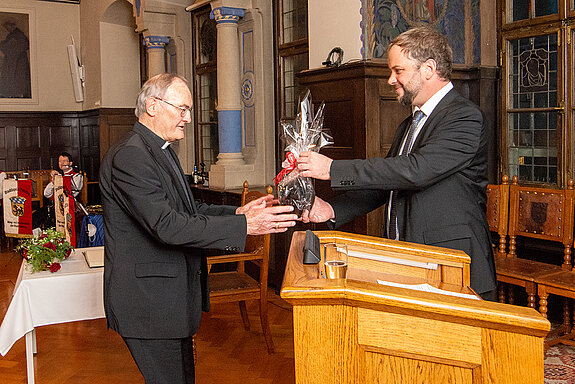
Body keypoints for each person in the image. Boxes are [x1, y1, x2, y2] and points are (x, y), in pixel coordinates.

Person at [99, 73, 297, 384]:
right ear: (152, 106)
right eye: (182, 109)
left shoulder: (158, 149)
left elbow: (190, 210)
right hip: (150, 303)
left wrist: (238, 211)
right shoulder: (131, 155)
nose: (188, 118)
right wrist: (245, 226)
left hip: (169, 300)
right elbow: (167, 226)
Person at [297, 26, 497, 301]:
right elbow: (387, 184)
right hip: (412, 261)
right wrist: (332, 209)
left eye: (398, 71)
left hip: (452, 266)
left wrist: (331, 169)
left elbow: (416, 171)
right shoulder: (410, 123)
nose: (391, 80)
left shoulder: (464, 117)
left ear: (428, 68)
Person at [32, 152, 84, 230]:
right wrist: (53, 181)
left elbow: (73, 193)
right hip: (54, 206)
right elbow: (47, 194)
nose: (61, 163)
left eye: (64, 161)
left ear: (70, 163)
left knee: (52, 219)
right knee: (35, 216)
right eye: (60, 161)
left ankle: (55, 239)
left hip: (69, 206)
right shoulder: (58, 176)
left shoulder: (77, 176)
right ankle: (42, 239)